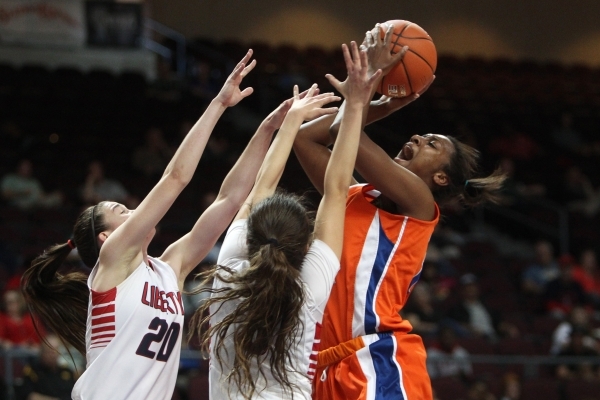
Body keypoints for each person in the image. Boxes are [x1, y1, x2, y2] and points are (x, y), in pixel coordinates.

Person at [19, 50, 284, 400]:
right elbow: (175, 177)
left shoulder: (170, 268)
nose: (132, 210)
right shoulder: (112, 260)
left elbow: (229, 200)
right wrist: (219, 104)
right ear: (105, 236)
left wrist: (267, 129)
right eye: (120, 210)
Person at [292, 23, 505, 400]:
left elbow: (350, 137)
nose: (419, 138)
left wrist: (368, 89)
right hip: (319, 365)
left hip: (377, 356)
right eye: (423, 135)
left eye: (432, 144)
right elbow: (306, 137)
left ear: (440, 177)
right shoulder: (351, 194)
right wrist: (381, 105)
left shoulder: (419, 205)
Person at [189, 41, 378, 399]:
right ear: (305, 246)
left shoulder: (230, 263)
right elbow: (338, 189)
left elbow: (263, 186)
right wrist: (355, 103)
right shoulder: (310, 285)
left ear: (252, 235)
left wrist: (291, 121)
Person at [15, 334, 76, 400]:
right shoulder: (32, 372)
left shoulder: (67, 371)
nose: (53, 355)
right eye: (50, 351)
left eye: (56, 351)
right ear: (42, 352)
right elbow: (29, 396)